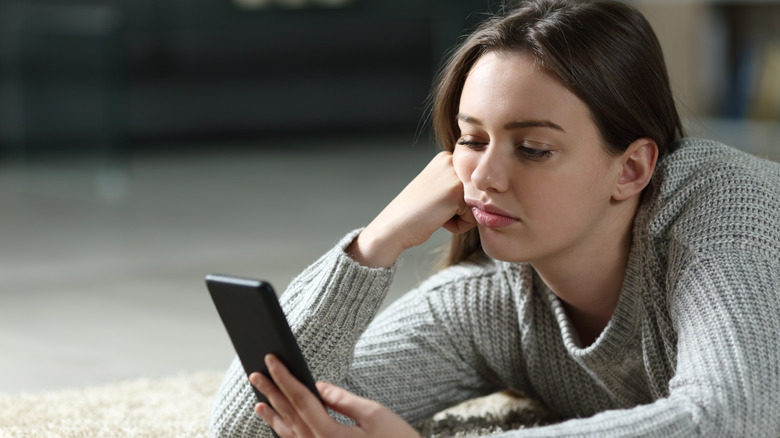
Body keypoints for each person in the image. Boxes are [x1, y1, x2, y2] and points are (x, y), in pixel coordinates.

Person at [209, 0, 780, 436]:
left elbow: (732, 420)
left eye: (532, 148)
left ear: (631, 168)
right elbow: (251, 424)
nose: (484, 177)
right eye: (471, 139)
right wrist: (373, 245)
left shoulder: (726, 214)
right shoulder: (494, 305)